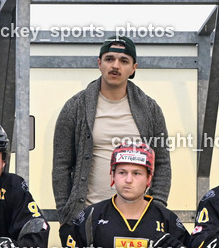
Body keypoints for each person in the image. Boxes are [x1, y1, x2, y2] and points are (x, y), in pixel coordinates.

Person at [52, 35, 172, 225]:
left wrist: (157, 209)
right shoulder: (75, 107)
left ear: (134, 68)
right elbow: (61, 165)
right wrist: (66, 215)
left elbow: (162, 162)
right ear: (99, 63)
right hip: (86, 216)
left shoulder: (150, 110)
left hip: (137, 218)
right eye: (109, 59)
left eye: (124, 61)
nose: (115, 66)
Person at [60, 142, 188, 248]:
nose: (128, 180)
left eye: (136, 173)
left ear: (149, 178)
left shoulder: (167, 219)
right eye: (122, 172)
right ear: (113, 176)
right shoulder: (90, 216)